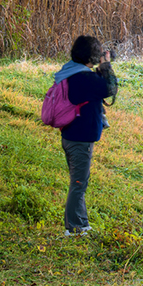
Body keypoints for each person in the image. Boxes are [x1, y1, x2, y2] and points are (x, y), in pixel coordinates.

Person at [52, 35, 117, 236]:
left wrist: (102, 66)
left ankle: (81, 223)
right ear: (91, 56)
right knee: (79, 184)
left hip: (72, 135)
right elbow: (110, 87)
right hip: (79, 139)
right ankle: (74, 227)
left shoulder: (72, 72)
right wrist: (106, 66)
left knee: (79, 181)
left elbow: (98, 87)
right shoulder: (82, 78)